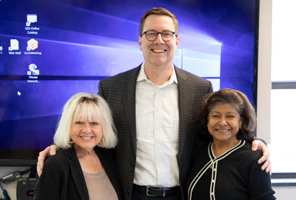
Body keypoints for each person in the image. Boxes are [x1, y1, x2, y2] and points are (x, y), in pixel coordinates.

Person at [37, 8, 271, 200]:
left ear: (177, 41)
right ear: (140, 41)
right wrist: (58, 148)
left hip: (183, 194)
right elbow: (93, 131)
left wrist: (255, 142)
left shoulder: (200, 88)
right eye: (151, 34)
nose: (159, 40)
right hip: (132, 194)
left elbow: (217, 129)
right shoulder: (112, 87)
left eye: (166, 34)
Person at [186, 88, 276, 200]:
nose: (222, 122)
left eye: (230, 116)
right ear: (207, 120)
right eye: (216, 116)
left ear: (241, 121)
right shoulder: (198, 151)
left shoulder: (254, 159)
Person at [34, 93, 123, 200]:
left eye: (94, 123)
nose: (87, 130)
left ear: (104, 127)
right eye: (79, 122)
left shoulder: (109, 156)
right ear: (68, 126)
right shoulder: (55, 164)